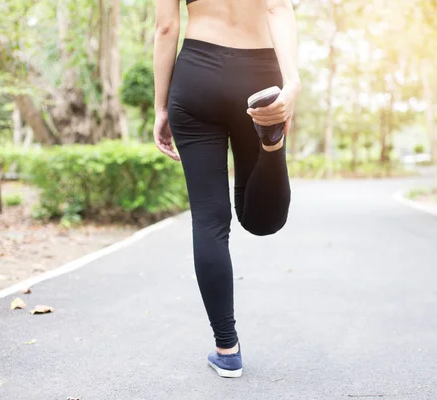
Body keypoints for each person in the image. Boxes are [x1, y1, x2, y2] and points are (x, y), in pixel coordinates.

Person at [152, 0, 301, 378]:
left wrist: (161, 108)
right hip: (259, 75)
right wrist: (292, 83)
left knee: (209, 220)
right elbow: (278, 8)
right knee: (262, 222)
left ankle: (227, 348)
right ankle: (271, 143)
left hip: (196, 78)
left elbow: (166, 28)